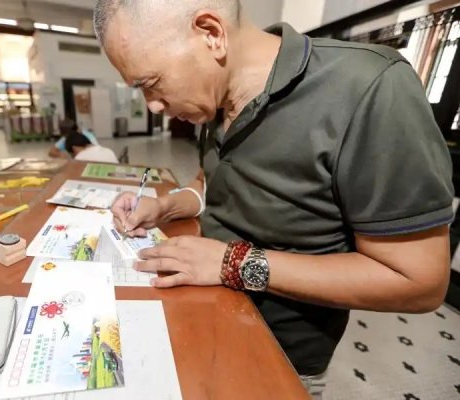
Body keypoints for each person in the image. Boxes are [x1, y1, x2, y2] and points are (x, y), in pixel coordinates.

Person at [94, 1, 453, 398]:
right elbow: (211, 182)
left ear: (211, 34)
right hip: (201, 313)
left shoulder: (369, 87)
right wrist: (165, 206)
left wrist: (233, 264)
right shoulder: (214, 95)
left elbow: (418, 281)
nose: (154, 106)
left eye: (151, 83)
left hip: (274, 355)